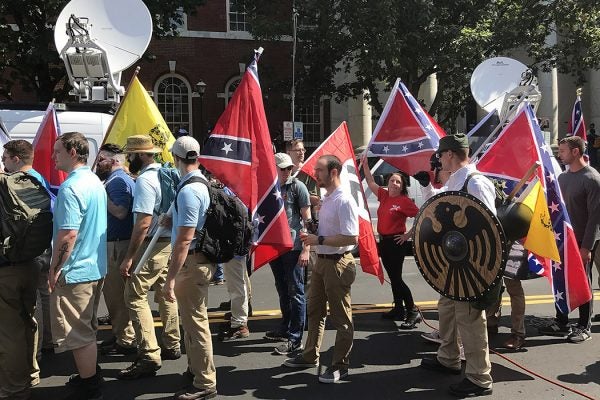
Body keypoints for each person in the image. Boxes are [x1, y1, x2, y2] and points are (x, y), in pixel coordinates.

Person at [418, 133, 495, 397]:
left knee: (470, 318)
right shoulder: (455, 181)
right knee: (447, 309)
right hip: (451, 264)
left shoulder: (476, 183)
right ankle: (448, 357)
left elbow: (490, 229)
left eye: (440, 155)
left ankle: (479, 377)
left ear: (450, 154)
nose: (439, 160)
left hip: (471, 268)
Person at [284, 155, 359, 384]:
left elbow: (351, 237)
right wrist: (315, 230)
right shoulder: (327, 198)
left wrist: (319, 238)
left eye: (319, 170)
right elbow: (326, 230)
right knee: (315, 311)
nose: (315, 174)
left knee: (341, 318)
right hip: (321, 261)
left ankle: (340, 366)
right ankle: (310, 355)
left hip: (337, 263)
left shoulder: (344, 200)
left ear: (333, 172)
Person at [49, 131, 107, 399]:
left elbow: (69, 233)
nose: (53, 156)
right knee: (87, 329)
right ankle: (90, 376)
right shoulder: (94, 181)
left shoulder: (72, 187)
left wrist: (54, 268)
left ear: (73, 152)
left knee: (78, 333)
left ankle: (90, 384)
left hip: (76, 270)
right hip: (94, 266)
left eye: (57, 151)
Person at [118, 135, 181, 380]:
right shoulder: (167, 174)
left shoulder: (145, 180)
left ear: (141, 155)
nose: (128, 159)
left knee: (134, 294)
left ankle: (149, 354)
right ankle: (172, 342)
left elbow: (143, 223)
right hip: (167, 241)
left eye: (131, 155)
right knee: (166, 291)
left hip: (151, 244)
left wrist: (129, 257)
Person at [161, 136, 217, 400]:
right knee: (193, 321)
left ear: (176, 158)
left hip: (192, 263)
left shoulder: (189, 190)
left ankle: (205, 382)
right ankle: (196, 370)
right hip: (197, 261)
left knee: (195, 324)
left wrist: (170, 278)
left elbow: (185, 238)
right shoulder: (198, 184)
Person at [0, 140, 52, 400]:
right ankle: (31, 373)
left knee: (8, 331)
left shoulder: (4, 185)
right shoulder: (29, 183)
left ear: (13, 158)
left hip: (6, 268)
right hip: (30, 262)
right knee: (28, 321)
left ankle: (13, 388)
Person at [539, 136, 600, 343]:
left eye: (563, 151)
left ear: (575, 152)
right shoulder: (563, 178)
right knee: (561, 281)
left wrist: (587, 247)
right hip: (562, 239)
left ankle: (584, 326)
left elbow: (595, 218)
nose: (560, 154)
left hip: (582, 242)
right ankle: (561, 321)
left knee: (582, 283)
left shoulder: (592, 179)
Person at [362, 161, 419, 327]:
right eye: (392, 180)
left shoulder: (404, 201)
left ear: (402, 187)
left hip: (396, 243)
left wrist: (407, 235)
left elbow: (422, 215)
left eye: (398, 182)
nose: (394, 183)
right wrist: (365, 164)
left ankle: (412, 311)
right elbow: (370, 181)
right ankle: (399, 309)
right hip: (384, 243)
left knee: (397, 279)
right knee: (394, 279)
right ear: (388, 182)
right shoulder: (384, 195)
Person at [265, 153, 312, 354]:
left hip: (293, 247)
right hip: (276, 246)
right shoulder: (269, 188)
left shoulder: (297, 187)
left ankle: (295, 339)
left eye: (289, 168)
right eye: (282, 168)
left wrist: (306, 249)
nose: (287, 172)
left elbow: (307, 220)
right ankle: (286, 327)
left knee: (296, 292)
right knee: (282, 288)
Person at [95, 143, 137, 356]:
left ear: (114, 161)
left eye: (102, 159)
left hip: (117, 244)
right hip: (117, 243)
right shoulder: (118, 179)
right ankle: (121, 332)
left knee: (116, 296)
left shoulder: (118, 181)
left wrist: (102, 194)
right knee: (117, 295)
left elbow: (120, 212)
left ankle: (126, 340)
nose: (98, 163)